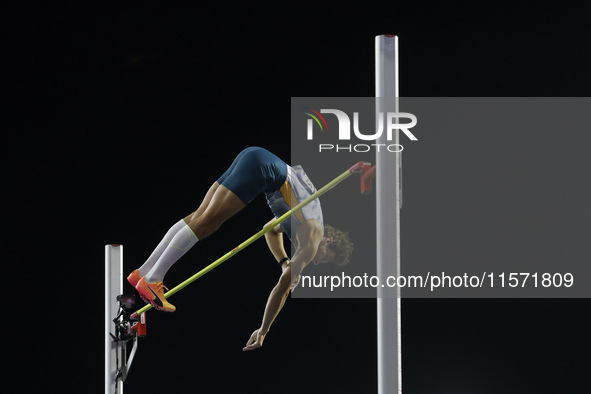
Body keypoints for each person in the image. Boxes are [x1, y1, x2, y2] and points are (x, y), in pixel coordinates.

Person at [126, 146, 353, 351]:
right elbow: (282, 290)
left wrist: (284, 262)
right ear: (329, 242)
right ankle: (154, 279)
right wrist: (264, 329)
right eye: (325, 258)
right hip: (265, 169)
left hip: (257, 157)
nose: (317, 262)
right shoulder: (313, 236)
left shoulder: (306, 223)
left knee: (198, 216)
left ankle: (144, 272)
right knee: (206, 224)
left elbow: (270, 230)